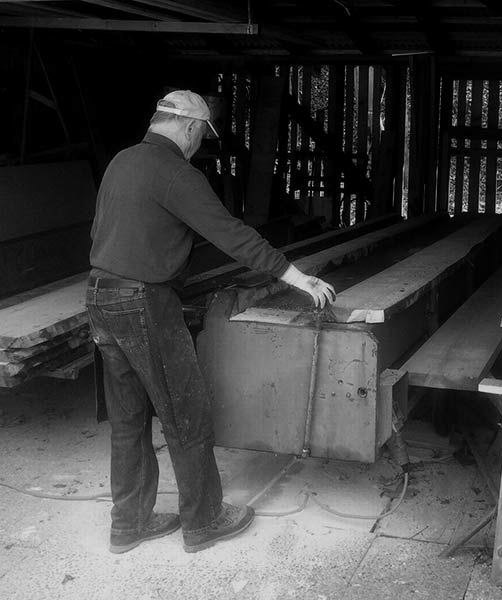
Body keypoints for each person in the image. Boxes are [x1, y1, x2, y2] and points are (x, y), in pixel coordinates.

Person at [85, 89, 335, 554]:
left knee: (128, 418)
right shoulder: (177, 173)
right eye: (202, 135)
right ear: (193, 128)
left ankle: (129, 524)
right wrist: (297, 276)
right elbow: (231, 234)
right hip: (143, 302)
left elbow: (106, 232)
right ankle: (203, 521)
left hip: (101, 296)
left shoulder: (121, 161)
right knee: (186, 414)